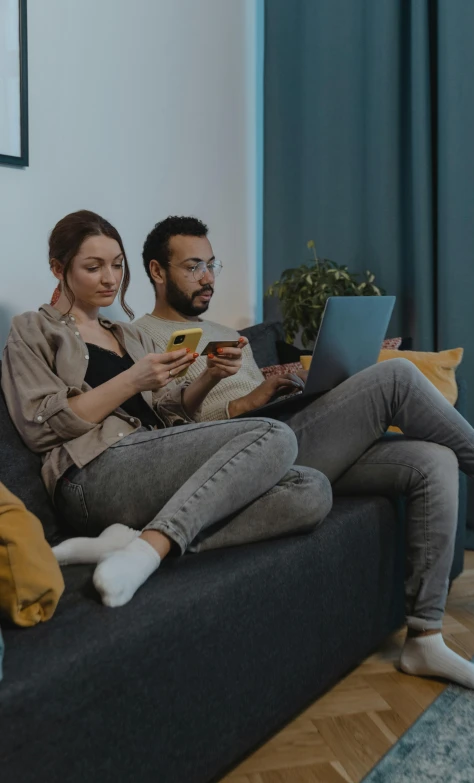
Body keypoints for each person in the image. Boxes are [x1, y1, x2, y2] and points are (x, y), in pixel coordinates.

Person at [136, 215, 474, 692]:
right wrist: (244, 401)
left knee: (434, 460)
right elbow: (172, 440)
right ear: (157, 271)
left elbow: (258, 404)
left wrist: (287, 390)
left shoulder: (220, 328)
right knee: (396, 377)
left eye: (212, 264)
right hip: (248, 463)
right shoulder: (141, 341)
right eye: (194, 267)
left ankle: (425, 637)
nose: (209, 278)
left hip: (288, 433)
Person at [1, 211, 332, 609]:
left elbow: (172, 415)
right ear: (58, 268)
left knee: (310, 490)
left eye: (118, 265)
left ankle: (134, 541)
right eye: (94, 267)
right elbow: (40, 426)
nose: (111, 278)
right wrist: (131, 380)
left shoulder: (127, 334)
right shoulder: (33, 330)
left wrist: (208, 375)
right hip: (89, 474)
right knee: (273, 434)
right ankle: (147, 553)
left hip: (149, 458)